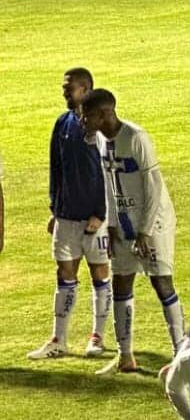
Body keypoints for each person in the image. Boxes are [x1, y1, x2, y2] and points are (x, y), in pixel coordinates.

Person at [81, 88, 184, 374]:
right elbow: (109, 182)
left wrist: (145, 231)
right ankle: (125, 356)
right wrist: (111, 223)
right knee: (121, 282)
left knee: (161, 282)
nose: (83, 122)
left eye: (86, 117)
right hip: (123, 222)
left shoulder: (136, 138)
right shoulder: (101, 139)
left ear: (104, 114)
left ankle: (181, 356)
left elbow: (154, 187)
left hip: (154, 223)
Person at [29, 67, 112, 361]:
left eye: (69, 88)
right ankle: (58, 339)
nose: (64, 92)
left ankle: (97, 337)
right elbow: (56, 167)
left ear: (86, 89)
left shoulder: (101, 128)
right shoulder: (62, 123)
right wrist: (55, 208)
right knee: (64, 274)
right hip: (66, 215)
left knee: (99, 273)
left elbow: (107, 173)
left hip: (94, 219)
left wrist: (101, 214)